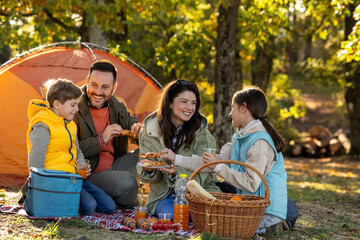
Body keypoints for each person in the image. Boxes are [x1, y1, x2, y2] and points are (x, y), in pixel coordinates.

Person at [201, 86, 298, 234]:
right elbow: (213, 162)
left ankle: (274, 226)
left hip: (266, 213)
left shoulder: (260, 143)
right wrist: (176, 159)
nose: (230, 113)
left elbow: (251, 183)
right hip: (252, 206)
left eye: (233, 108)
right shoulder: (240, 137)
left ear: (243, 108)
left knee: (216, 222)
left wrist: (219, 168)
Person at [27, 78, 116, 215]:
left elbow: (77, 148)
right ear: (56, 104)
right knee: (89, 207)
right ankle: (59, 202)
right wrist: (40, 189)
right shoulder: (42, 125)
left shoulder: (70, 124)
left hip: (72, 177)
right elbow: (35, 159)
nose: (77, 109)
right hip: (54, 181)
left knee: (109, 206)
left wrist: (81, 164)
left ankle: (71, 200)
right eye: (73, 105)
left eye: (78, 105)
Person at [137, 79, 221, 217]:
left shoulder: (203, 135)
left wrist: (177, 173)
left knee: (188, 214)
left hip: (198, 195)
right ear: (170, 103)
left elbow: (201, 177)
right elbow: (148, 179)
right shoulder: (150, 131)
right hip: (164, 195)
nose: (190, 108)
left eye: (193, 103)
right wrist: (149, 170)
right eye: (184, 102)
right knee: (170, 214)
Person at [73, 60, 142, 208]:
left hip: (114, 168)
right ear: (87, 81)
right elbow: (70, 147)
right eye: (94, 85)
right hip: (89, 173)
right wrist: (102, 139)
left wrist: (138, 131)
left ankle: (114, 197)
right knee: (127, 182)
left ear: (114, 87)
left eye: (105, 87)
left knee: (149, 152)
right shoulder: (74, 104)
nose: (98, 92)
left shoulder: (116, 105)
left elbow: (132, 126)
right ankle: (129, 202)